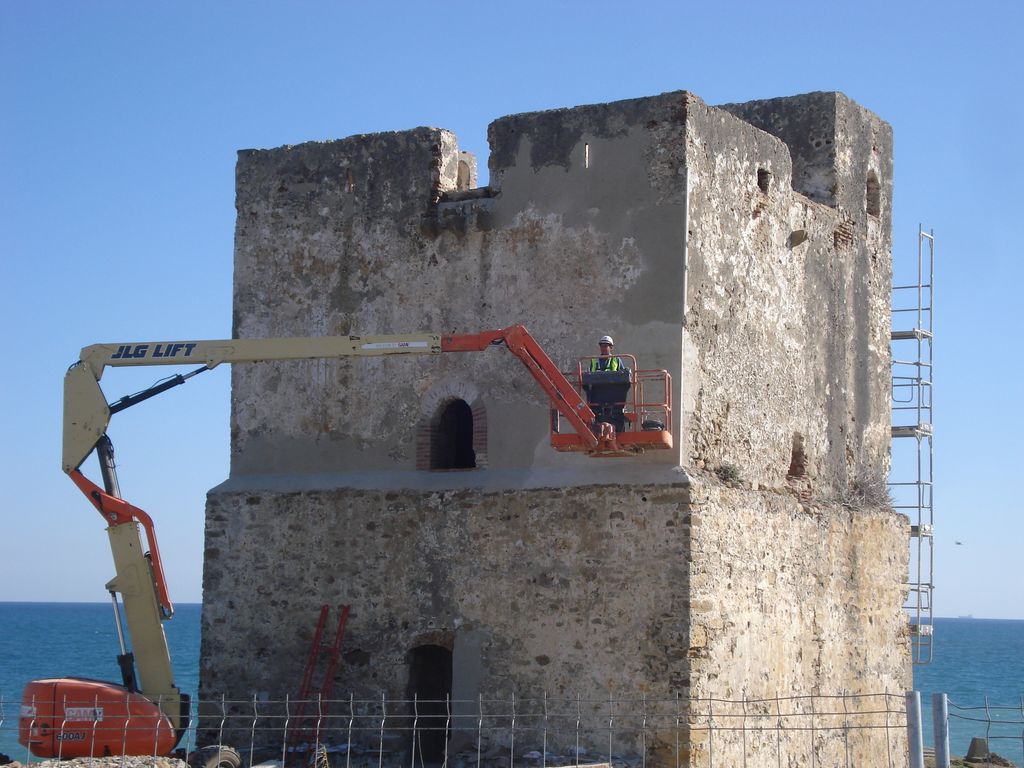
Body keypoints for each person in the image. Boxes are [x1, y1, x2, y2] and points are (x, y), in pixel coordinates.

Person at [585, 334, 629, 432]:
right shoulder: (594, 361)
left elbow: (623, 377)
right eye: (602, 346)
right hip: (598, 394)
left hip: (613, 394)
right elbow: (589, 376)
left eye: (606, 346)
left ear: (611, 347)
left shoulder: (616, 360)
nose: (604, 348)